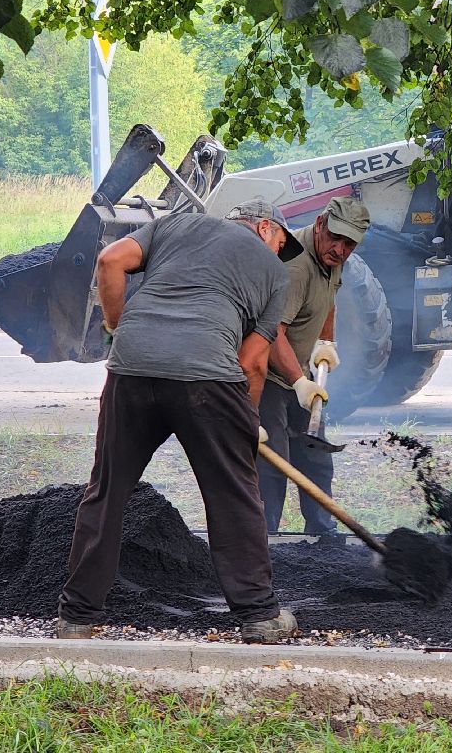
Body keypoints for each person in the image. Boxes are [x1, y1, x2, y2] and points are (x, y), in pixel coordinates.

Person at [56, 198, 304, 644]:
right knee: (234, 494)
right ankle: (259, 616)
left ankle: (77, 617)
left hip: (131, 369)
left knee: (107, 491)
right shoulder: (274, 275)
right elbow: (252, 364)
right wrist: (245, 426)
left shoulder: (175, 225)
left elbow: (110, 260)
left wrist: (119, 326)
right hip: (208, 381)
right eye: (281, 243)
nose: (278, 255)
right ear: (265, 228)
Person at [257, 195, 371, 536]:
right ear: (320, 224)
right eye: (334, 237)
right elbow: (272, 332)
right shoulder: (296, 265)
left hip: (297, 374)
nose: (339, 248)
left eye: (348, 244)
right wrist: (299, 381)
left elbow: (329, 299)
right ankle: (265, 541)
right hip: (269, 378)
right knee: (272, 464)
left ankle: (322, 533)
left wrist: (326, 342)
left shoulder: (334, 259)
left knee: (317, 458)